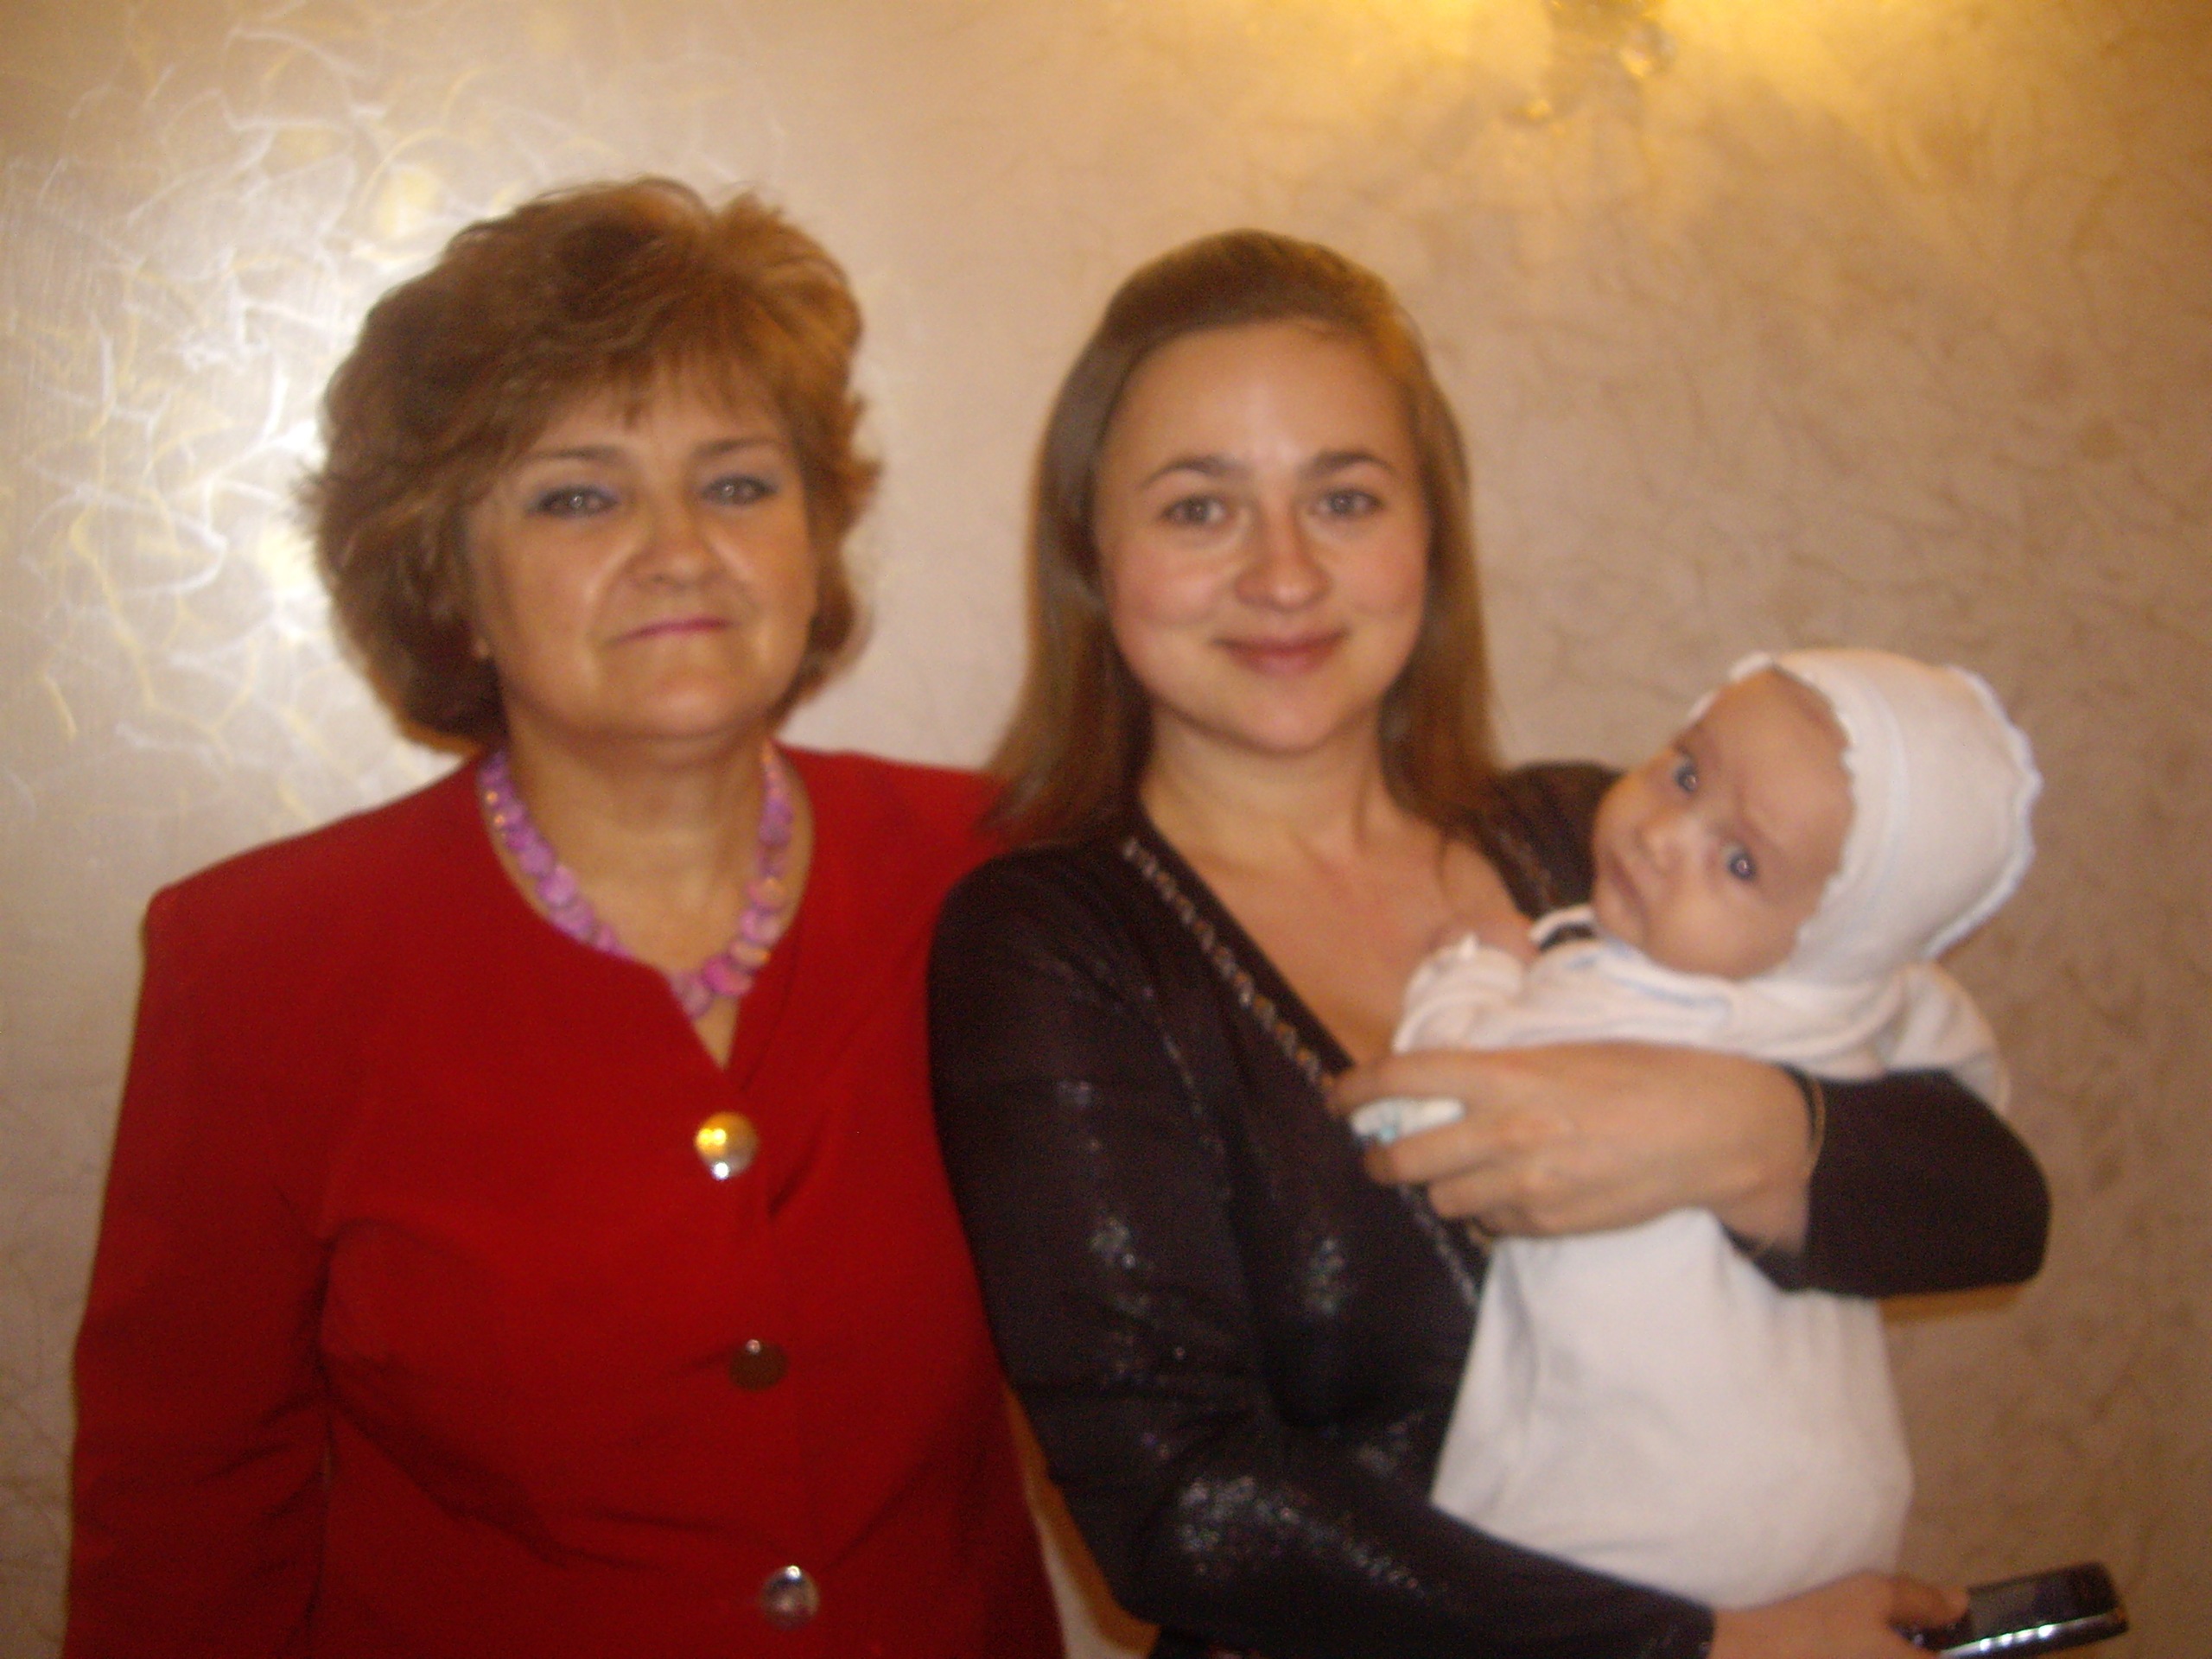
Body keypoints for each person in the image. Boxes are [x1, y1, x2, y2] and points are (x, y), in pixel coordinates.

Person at [927, 229, 2050, 1658]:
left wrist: (1741, 1131)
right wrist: (1704, 1647)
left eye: (1345, 498)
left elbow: (1993, 1205)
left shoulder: (1611, 841)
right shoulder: (1053, 946)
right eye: (1200, 510)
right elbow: (1182, 1506)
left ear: (1432, 535)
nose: (1285, 574)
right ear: (1093, 554)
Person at [67, 179, 1059, 1657]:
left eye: (739, 484)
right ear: (451, 582)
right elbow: (184, 1517)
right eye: (578, 495)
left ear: (814, 544)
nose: (680, 547)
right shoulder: (259, 967)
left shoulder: (1006, 878)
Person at [1352, 647, 2040, 1607]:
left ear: (1832, 936)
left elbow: (1433, 1108)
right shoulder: (1883, 994)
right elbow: (1970, 1099)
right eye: (1683, 771)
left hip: (1607, 1519)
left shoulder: (1607, 1001)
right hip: (1836, 1511)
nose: (1663, 835)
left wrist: (1470, 968)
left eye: (1741, 861)